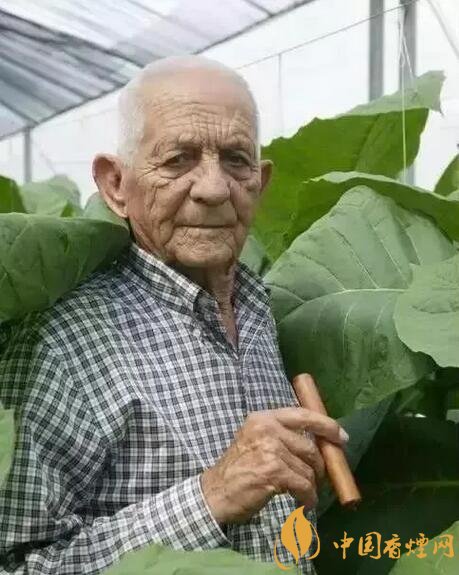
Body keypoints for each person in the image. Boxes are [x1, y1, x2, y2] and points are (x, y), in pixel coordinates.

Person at [0, 55, 349, 574]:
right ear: (116, 184)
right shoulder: (61, 344)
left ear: (261, 181)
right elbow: (17, 563)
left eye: (236, 160)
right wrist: (211, 497)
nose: (213, 188)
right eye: (178, 160)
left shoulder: (260, 311)